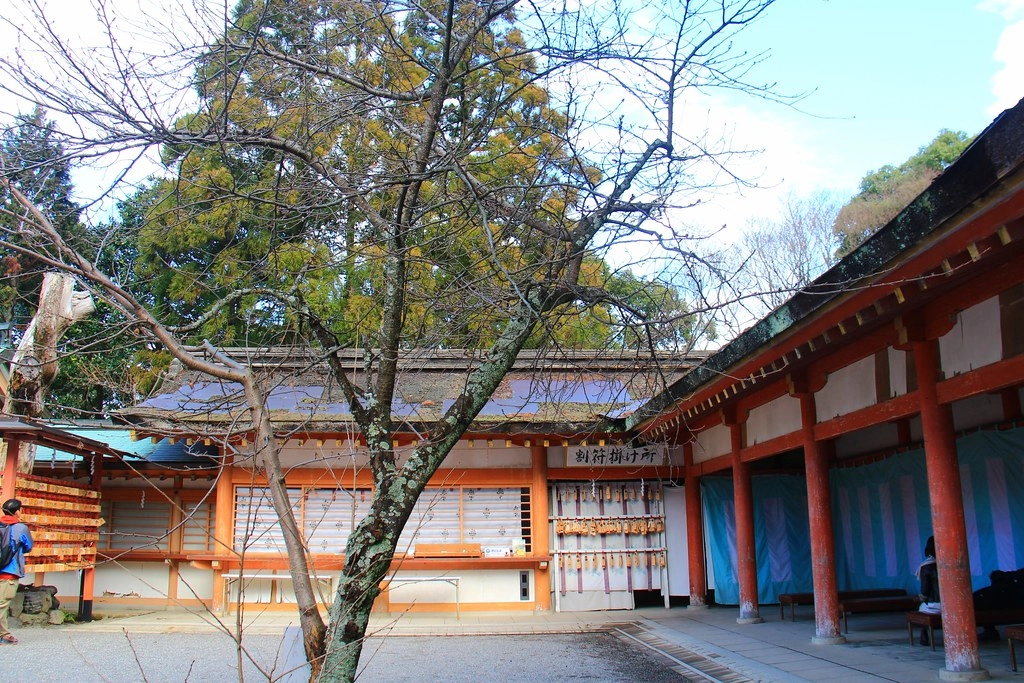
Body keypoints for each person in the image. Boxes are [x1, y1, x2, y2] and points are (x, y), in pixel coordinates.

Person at [0, 498, 33, 645]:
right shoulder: (20, 528)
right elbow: (28, 546)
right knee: (2, 605)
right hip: (9, 571)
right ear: (17, 511)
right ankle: (4, 635)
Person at [916, 536, 940, 645]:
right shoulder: (952, 563)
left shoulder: (926, 567)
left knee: (921, 607)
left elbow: (925, 592)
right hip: (954, 605)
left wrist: (920, 597)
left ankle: (924, 636)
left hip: (935, 606)